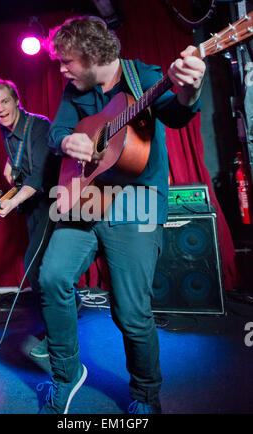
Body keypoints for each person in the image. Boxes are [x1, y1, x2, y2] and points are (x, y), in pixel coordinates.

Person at [38, 15, 206, 414]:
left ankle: (146, 395)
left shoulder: (144, 76)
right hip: (88, 197)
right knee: (52, 277)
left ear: (93, 55)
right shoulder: (73, 90)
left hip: (136, 201)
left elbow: (178, 112)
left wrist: (191, 90)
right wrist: (69, 140)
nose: (62, 69)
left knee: (130, 312)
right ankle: (65, 375)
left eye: (67, 62)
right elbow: (54, 132)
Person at [0, 79, 82, 358]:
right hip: (34, 209)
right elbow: (22, 162)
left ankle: (58, 336)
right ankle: (69, 305)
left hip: (53, 204)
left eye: (4, 101)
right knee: (45, 273)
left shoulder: (37, 126)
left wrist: (12, 201)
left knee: (37, 270)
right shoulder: (9, 132)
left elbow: (39, 175)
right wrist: (10, 163)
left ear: (16, 100)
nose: (0, 109)